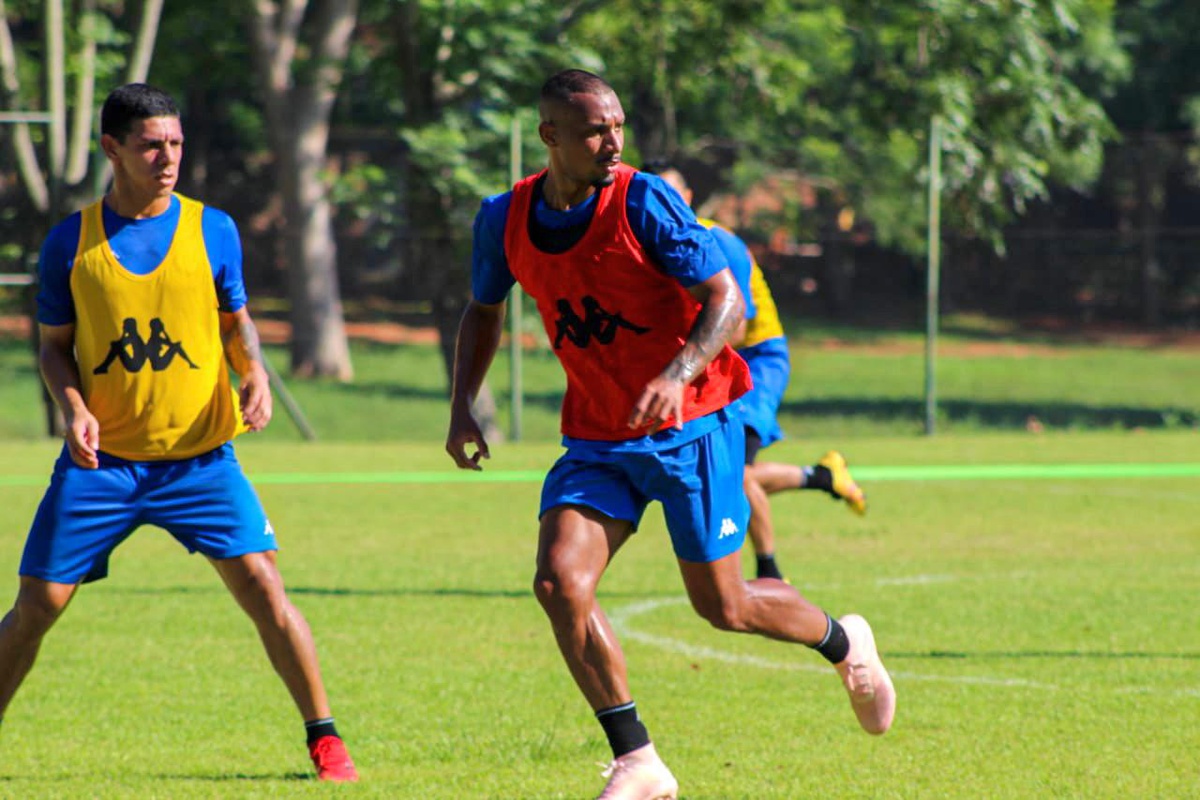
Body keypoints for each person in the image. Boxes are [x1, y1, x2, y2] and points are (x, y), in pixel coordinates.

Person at [446, 69, 895, 800]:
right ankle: (638, 761)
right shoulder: (503, 219)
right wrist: (463, 403)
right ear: (550, 136)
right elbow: (484, 311)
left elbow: (728, 303)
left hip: (694, 426)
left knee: (725, 607)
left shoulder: (645, 200)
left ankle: (846, 644)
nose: (613, 140)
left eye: (618, 124)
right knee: (560, 584)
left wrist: (679, 372)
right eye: (595, 129)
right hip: (598, 437)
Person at [1, 83, 357, 782]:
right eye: (151, 145)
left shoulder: (213, 229)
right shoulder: (70, 241)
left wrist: (251, 370)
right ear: (113, 149)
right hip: (103, 465)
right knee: (37, 603)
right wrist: (73, 407)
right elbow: (52, 347)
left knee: (262, 583)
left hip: (199, 460)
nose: (168, 157)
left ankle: (325, 739)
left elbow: (235, 318)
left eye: (176, 144)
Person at [651, 165, 867, 582]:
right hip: (711, 361)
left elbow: (738, 328)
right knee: (727, 472)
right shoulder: (658, 245)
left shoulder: (716, 240)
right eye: (658, 196)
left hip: (755, 360)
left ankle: (770, 572)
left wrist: (684, 369)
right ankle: (823, 477)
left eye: (674, 194)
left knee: (737, 472)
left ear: (690, 196)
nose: (668, 204)